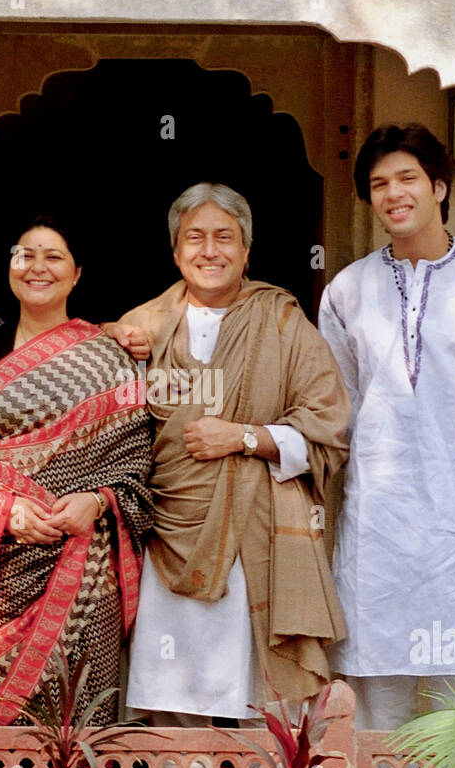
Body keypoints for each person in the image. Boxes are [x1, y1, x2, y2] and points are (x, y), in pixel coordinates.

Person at [317, 123, 455, 731]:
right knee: (376, 705)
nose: (394, 193)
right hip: (381, 527)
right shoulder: (348, 291)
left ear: (439, 186)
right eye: (378, 184)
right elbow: (337, 405)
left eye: (407, 178)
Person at [110, 183, 350, 724]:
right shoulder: (140, 326)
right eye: (195, 238)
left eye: (225, 238)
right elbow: (102, 424)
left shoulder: (283, 322)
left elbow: (328, 425)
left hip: (254, 531)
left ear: (247, 251)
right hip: (163, 537)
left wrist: (243, 437)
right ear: (175, 252)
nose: (210, 250)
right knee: (171, 699)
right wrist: (111, 343)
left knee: (255, 699)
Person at [0, 217, 153, 726]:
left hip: (87, 565)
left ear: (76, 274)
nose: (37, 267)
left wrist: (96, 503)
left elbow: (137, 465)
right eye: (24, 254)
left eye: (53, 257)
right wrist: (2, 510)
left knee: (80, 711)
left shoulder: (111, 359)